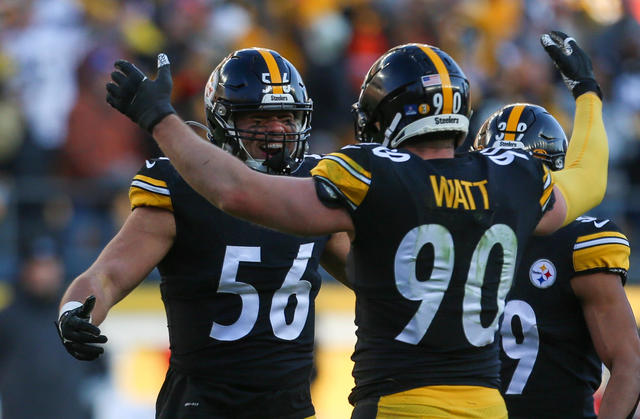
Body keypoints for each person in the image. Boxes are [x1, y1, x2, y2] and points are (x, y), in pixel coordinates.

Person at [104, 31, 609, 418]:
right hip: (485, 403)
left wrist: (159, 119)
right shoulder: (513, 176)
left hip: (398, 402)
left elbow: (237, 191)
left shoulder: (374, 176)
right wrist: (587, 93)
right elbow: (589, 178)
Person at [57, 47, 350, 419]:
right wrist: (74, 312)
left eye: (287, 117)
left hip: (287, 405)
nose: (277, 130)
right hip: (204, 404)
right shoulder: (180, 187)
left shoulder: (315, 183)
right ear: (221, 120)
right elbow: (107, 275)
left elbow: (369, 273)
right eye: (259, 120)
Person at [473, 103, 640, 418]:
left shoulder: (577, 243)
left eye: (519, 172)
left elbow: (629, 363)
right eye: (498, 169)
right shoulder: (461, 236)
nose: (507, 184)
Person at [0, 238, 102, 419]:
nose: (44, 274)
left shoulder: (73, 316)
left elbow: (98, 369)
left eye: (50, 265)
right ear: (24, 270)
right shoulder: (7, 319)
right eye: (38, 266)